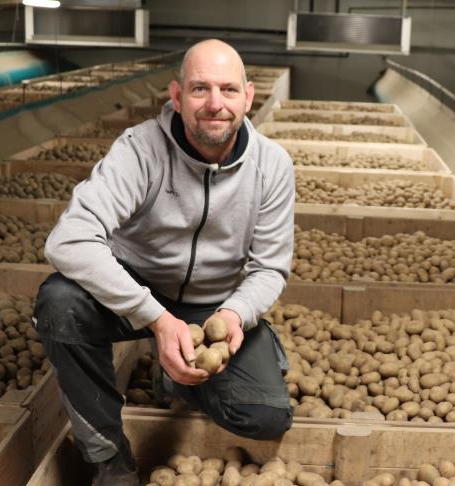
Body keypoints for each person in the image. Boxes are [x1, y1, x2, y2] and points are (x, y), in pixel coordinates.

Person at [33, 39, 295, 486]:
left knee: (267, 416)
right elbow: (68, 239)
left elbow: (269, 267)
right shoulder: (140, 150)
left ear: (248, 96)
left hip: (211, 306)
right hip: (136, 292)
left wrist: (235, 313)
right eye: (200, 90)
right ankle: (109, 461)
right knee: (60, 302)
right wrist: (154, 317)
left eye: (229, 90)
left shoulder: (272, 166)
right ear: (175, 96)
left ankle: (173, 377)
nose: (216, 104)